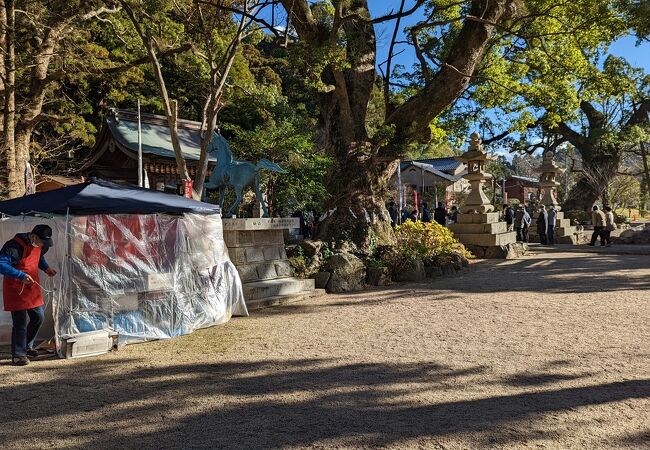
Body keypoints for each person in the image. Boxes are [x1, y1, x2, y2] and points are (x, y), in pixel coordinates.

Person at [0, 225, 57, 366]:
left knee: (38, 317)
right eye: (41, 241)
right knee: (20, 322)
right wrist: (20, 275)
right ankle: (18, 355)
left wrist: (46, 268)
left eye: (45, 243)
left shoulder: (42, 245)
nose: (43, 245)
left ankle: (27, 345)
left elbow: (39, 257)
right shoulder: (13, 246)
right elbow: (1, 264)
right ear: (33, 236)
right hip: (16, 287)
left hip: (32, 287)